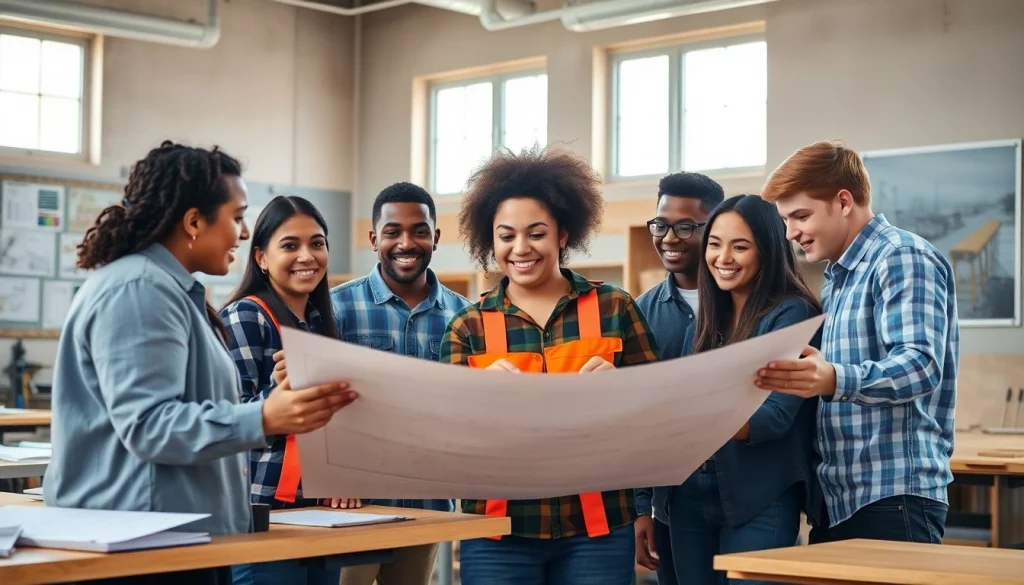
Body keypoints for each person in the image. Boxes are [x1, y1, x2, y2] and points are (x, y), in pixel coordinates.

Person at [44, 141, 356, 585]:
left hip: (176, 542)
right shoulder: (139, 290)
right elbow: (149, 424)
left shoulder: (172, 292)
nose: (244, 234)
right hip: (141, 549)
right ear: (193, 221)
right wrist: (266, 414)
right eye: (237, 216)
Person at [439, 145, 661, 585]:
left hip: (599, 530)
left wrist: (625, 391)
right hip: (498, 532)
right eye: (506, 236)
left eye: (536, 233)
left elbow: (660, 414)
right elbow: (446, 437)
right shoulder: (467, 326)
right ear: (491, 240)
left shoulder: (616, 307)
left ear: (563, 234)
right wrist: (477, 399)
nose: (521, 248)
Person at [756, 139, 959, 544]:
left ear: (844, 202)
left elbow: (921, 365)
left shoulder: (900, 257)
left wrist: (832, 378)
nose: (791, 233)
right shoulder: (839, 278)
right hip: (841, 499)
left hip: (891, 497)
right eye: (785, 221)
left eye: (800, 216)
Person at [666, 194, 822, 584]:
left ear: (767, 251)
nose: (723, 258)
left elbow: (775, 416)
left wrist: (687, 416)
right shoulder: (704, 321)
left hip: (759, 497)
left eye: (740, 246)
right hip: (687, 497)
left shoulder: (792, 312)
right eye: (715, 244)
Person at [329, 181, 471, 585]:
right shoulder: (336, 307)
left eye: (419, 231)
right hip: (354, 502)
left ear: (436, 237)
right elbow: (320, 402)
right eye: (392, 232)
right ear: (375, 239)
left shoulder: (465, 317)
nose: (406, 242)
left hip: (428, 501)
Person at [219, 195, 348, 585]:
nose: (307, 256)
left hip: (319, 509)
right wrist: (279, 392)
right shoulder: (246, 315)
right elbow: (227, 421)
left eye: (317, 243)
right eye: (290, 245)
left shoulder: (318, 321)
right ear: (260, 257)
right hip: (265, 509)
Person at [632, 172, 724, 582]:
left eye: (686, 226)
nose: (669, 237)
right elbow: (633, 418)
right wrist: (640, 508)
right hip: (675, 500)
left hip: (746, 492)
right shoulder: (640, 313)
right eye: (661, 225)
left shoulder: (749, 305)